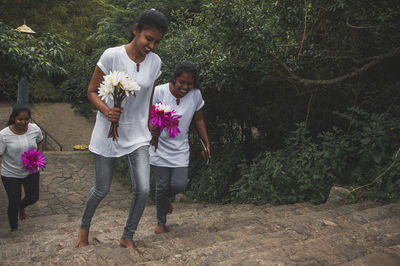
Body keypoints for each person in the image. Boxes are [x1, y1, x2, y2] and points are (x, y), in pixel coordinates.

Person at [75, 9, 168, 248]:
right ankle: (83, 229)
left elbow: (147, 97)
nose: (152, 45)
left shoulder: (155, 62)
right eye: (149, 38)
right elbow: (92, 91)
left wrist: (150, 125)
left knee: (143, 188)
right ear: (136, 30)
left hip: (137, 133)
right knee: (101, 188)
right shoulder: (111, 55)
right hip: (108, 131)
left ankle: (128, 235)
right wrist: (107, 111)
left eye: (157, 41)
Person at [150, 60, 211, 234]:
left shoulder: (196, 95)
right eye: (181, 82)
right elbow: (146, 115)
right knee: (161, 185)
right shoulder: (159, 92)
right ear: (175, 79)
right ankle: (161, 222)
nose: (185, 87)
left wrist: (206, 142)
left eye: (189, 83)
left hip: (180, 148)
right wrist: (151, 128)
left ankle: (164, 199)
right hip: (159, 146)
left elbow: (199, 119)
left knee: (180, 185)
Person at [0, 105, 44, 232]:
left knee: (33, 197)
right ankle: (14, 227)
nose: (24, 122)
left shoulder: (34, 129)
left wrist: (39, 155)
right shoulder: (3, 135)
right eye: (20, 119)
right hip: (10, 173)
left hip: (31, 171)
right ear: (14, 118)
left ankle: (22, 207)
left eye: (27, 119)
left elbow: (40, 141)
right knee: (14, 201)